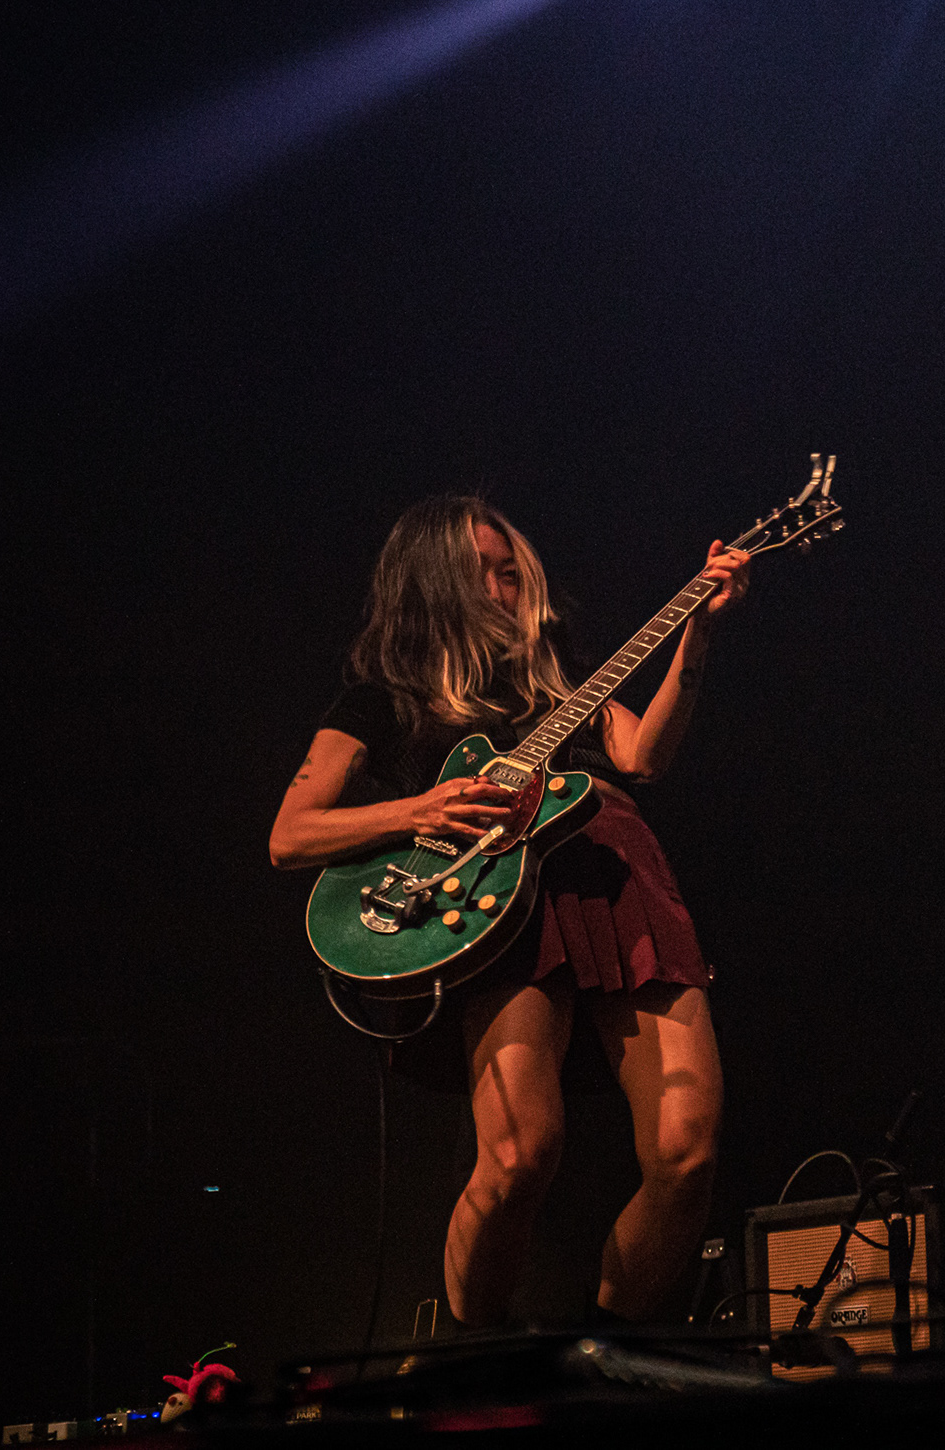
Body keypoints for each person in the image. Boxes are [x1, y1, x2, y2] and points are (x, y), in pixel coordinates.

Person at [268, 495, 751, 1327]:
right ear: (431, 585)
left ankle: (605, 1355)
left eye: (510, 571)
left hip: (617, 876)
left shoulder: (562, 678)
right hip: (501, 905)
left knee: (688, 1150)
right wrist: (418, 810)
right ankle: (476, 1355)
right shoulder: (384, 699)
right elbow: (290, 835)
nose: (504, 588)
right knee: (519, 1156)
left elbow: (644, 756)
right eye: (481, 574)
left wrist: (698, 635)